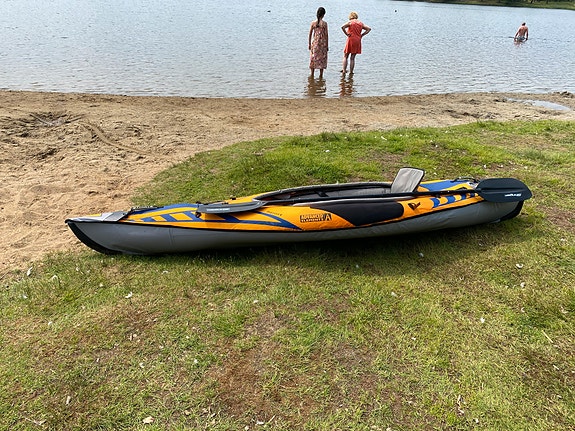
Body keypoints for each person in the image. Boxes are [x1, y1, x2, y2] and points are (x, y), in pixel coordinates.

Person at [308, 7, 328, 79]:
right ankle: (321, 75)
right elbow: (326, 35)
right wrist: (327, 45)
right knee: (322, 58)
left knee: (313, 58)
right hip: (322, 43)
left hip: (315, 43)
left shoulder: (313, 23)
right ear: (323, 14)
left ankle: (312, 74)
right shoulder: (324, 24)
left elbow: (310, 34)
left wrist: (309, 43)